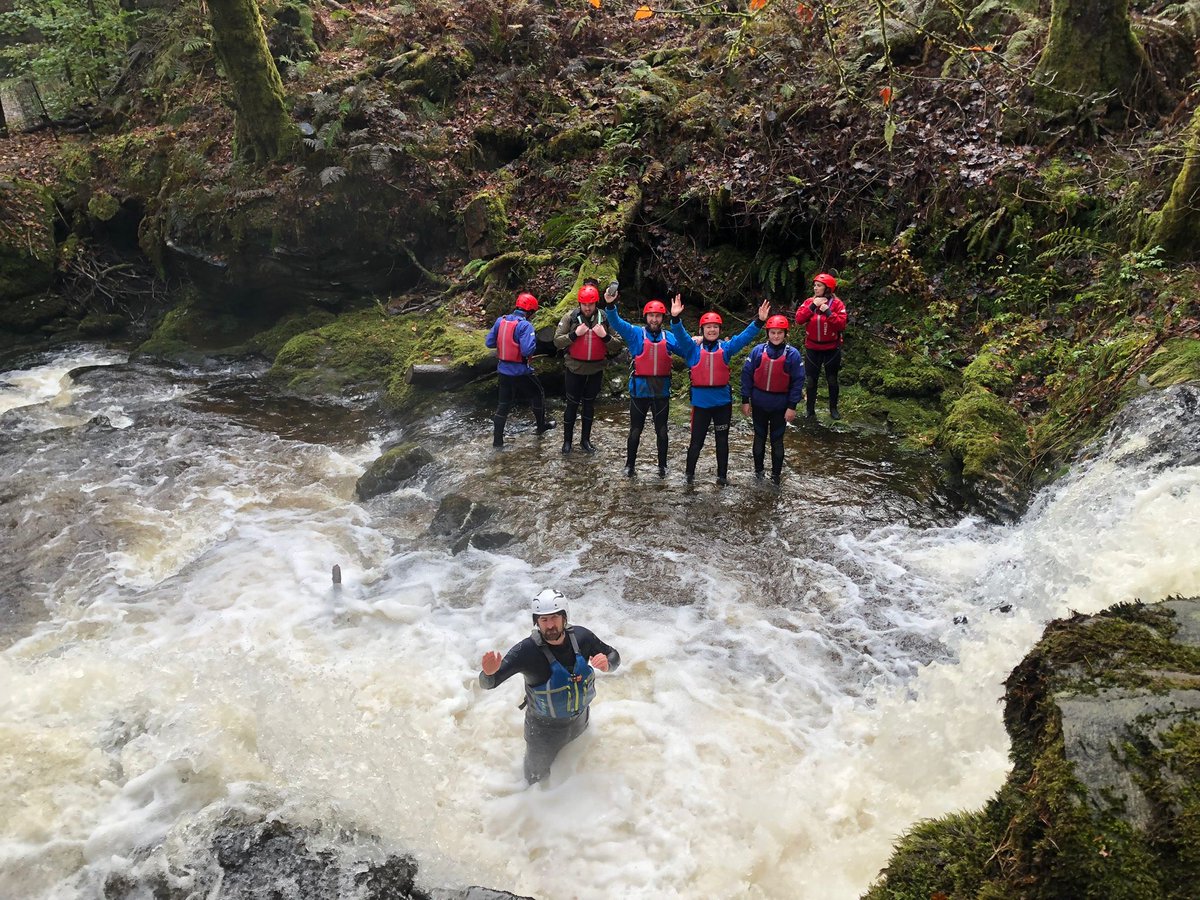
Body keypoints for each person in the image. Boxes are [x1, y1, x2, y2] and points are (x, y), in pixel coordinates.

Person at [479, 588, 621, 785]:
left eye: (554, 618)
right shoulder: (526, 651)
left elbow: (614, 656)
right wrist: (488, 673)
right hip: (543, 732)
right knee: (535, 784)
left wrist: (608, 664)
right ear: (536, 622)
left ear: (564, 618)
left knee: (582, 761)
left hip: (580, 718)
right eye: (543, 620)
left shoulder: (582, 638)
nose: (550, 625)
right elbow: (488, 684)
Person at [670, 296, 770, 485]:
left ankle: (722, 478)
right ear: (702, 330)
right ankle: (689, 478)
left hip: (722, 404)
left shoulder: (726, 348)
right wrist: (675, 319)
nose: (712, 329)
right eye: (708, 327)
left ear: (720, 330)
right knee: (696, 443)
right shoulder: (693, 350)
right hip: (701, 405)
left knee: (722, 442)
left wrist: (759, 321)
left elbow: (744, 338)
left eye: (715, 327)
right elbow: (681, 336)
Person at [603, 286, 687, 477]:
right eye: (651, 316)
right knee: (635, 430)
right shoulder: (635, 334)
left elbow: (687, 349)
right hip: (639, 391)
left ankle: (662, 467)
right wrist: (610, 304)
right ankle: (630, 465)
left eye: (658, 316)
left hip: (661, 392)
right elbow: (616, 322)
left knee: (662, 431)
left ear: (662, 318)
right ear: (645, 317)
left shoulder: (669, 337)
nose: (654, 319)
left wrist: (700, 340)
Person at [485, 291, 556, 448]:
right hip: (521, 372)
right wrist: (533, 341)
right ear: (530, 311)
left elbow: (489, 343)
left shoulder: (500, 321)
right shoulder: (525, 325)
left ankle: (497, 441)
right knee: (538, 393)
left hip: (503, 371)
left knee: (503, 404)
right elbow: (526, 351)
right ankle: (541, 426)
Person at [740, 315, 805, 484]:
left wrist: (792, 406)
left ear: (785, 334)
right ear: (768, 333)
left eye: (780, 333)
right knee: (759, 437)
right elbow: (746, 376)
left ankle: (776, 477)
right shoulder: (757, 352)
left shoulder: (793, 355)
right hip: (759, 403)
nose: (776, 336)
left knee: (777, 440)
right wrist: (745, 400)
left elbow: (798, 382)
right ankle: (758, 474)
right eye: (773, 332)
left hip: (780, 405)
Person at [553, 280, 616, 454]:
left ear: (596, 303)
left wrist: (604, 337)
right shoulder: (570, 317)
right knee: (571, 405)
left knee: (589, 405)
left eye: (590, 304)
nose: (587, 308)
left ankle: (585, 441)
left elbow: (618, 344)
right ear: (579, 303)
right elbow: (557, 341)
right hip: (574, 368)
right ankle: (567, 442)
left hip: (596, 369)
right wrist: (574, 335)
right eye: (584, 304)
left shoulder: (605, 318)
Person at [794, 272, 848, 420]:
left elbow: (841, 324)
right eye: (815, 285)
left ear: (828, 289)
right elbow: (799, 319)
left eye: (819, 286)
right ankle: (810, 411)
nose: (815, 288)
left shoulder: (837, 304)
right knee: (811, 380)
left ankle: (833, 409)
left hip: (831, 349)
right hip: (812, 348)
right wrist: (813, 306)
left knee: (832, 379)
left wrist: (828, 311)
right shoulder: (809, 301)